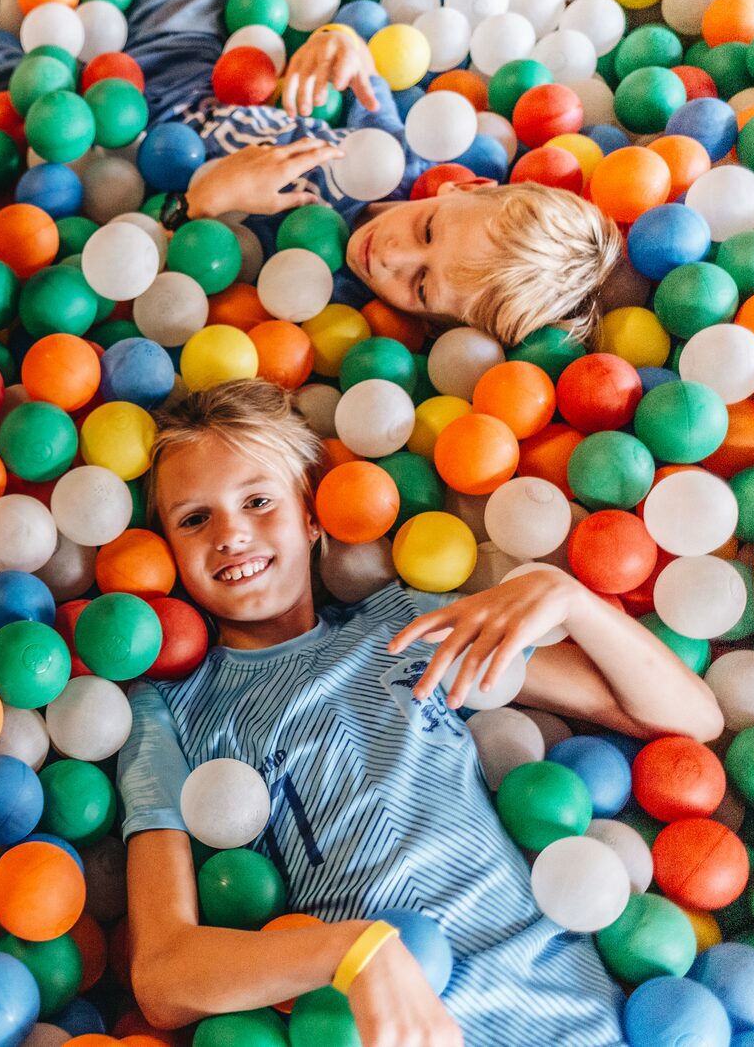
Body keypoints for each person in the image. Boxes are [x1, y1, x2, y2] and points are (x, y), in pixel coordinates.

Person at [115, 379, 723, 1046]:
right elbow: (164, 977)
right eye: (194, 518)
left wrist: (567, 596)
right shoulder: (169, 712)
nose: (232, 533)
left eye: (259, 500)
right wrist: (353, 953)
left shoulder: (407, 624)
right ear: (168, 547)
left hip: (570, 1017)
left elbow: (689, 720)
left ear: (312, 514)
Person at [0, 0, 625, 346]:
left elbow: (130, 267)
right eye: (432, 229)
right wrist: (334, 43)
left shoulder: (318, 285)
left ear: (433, 324)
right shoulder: (402, 149)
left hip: (79, 124)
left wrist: (203, 201)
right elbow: (353, 64)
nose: (396, 251)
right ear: (466, 184)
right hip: (189, 53)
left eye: (420, 286)